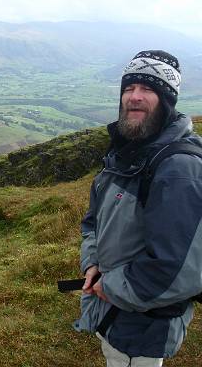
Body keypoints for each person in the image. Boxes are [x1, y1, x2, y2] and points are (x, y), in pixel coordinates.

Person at [75, 50, 202, 366]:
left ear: (167, 99)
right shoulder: (125, 156)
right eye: (129, 88)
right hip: (113, 311)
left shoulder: (178, 169)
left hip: (144, 325)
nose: (134, 97)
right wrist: (92, 264)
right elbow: (94, 221)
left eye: (148, 89)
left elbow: (178, 270)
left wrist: (109, 287)